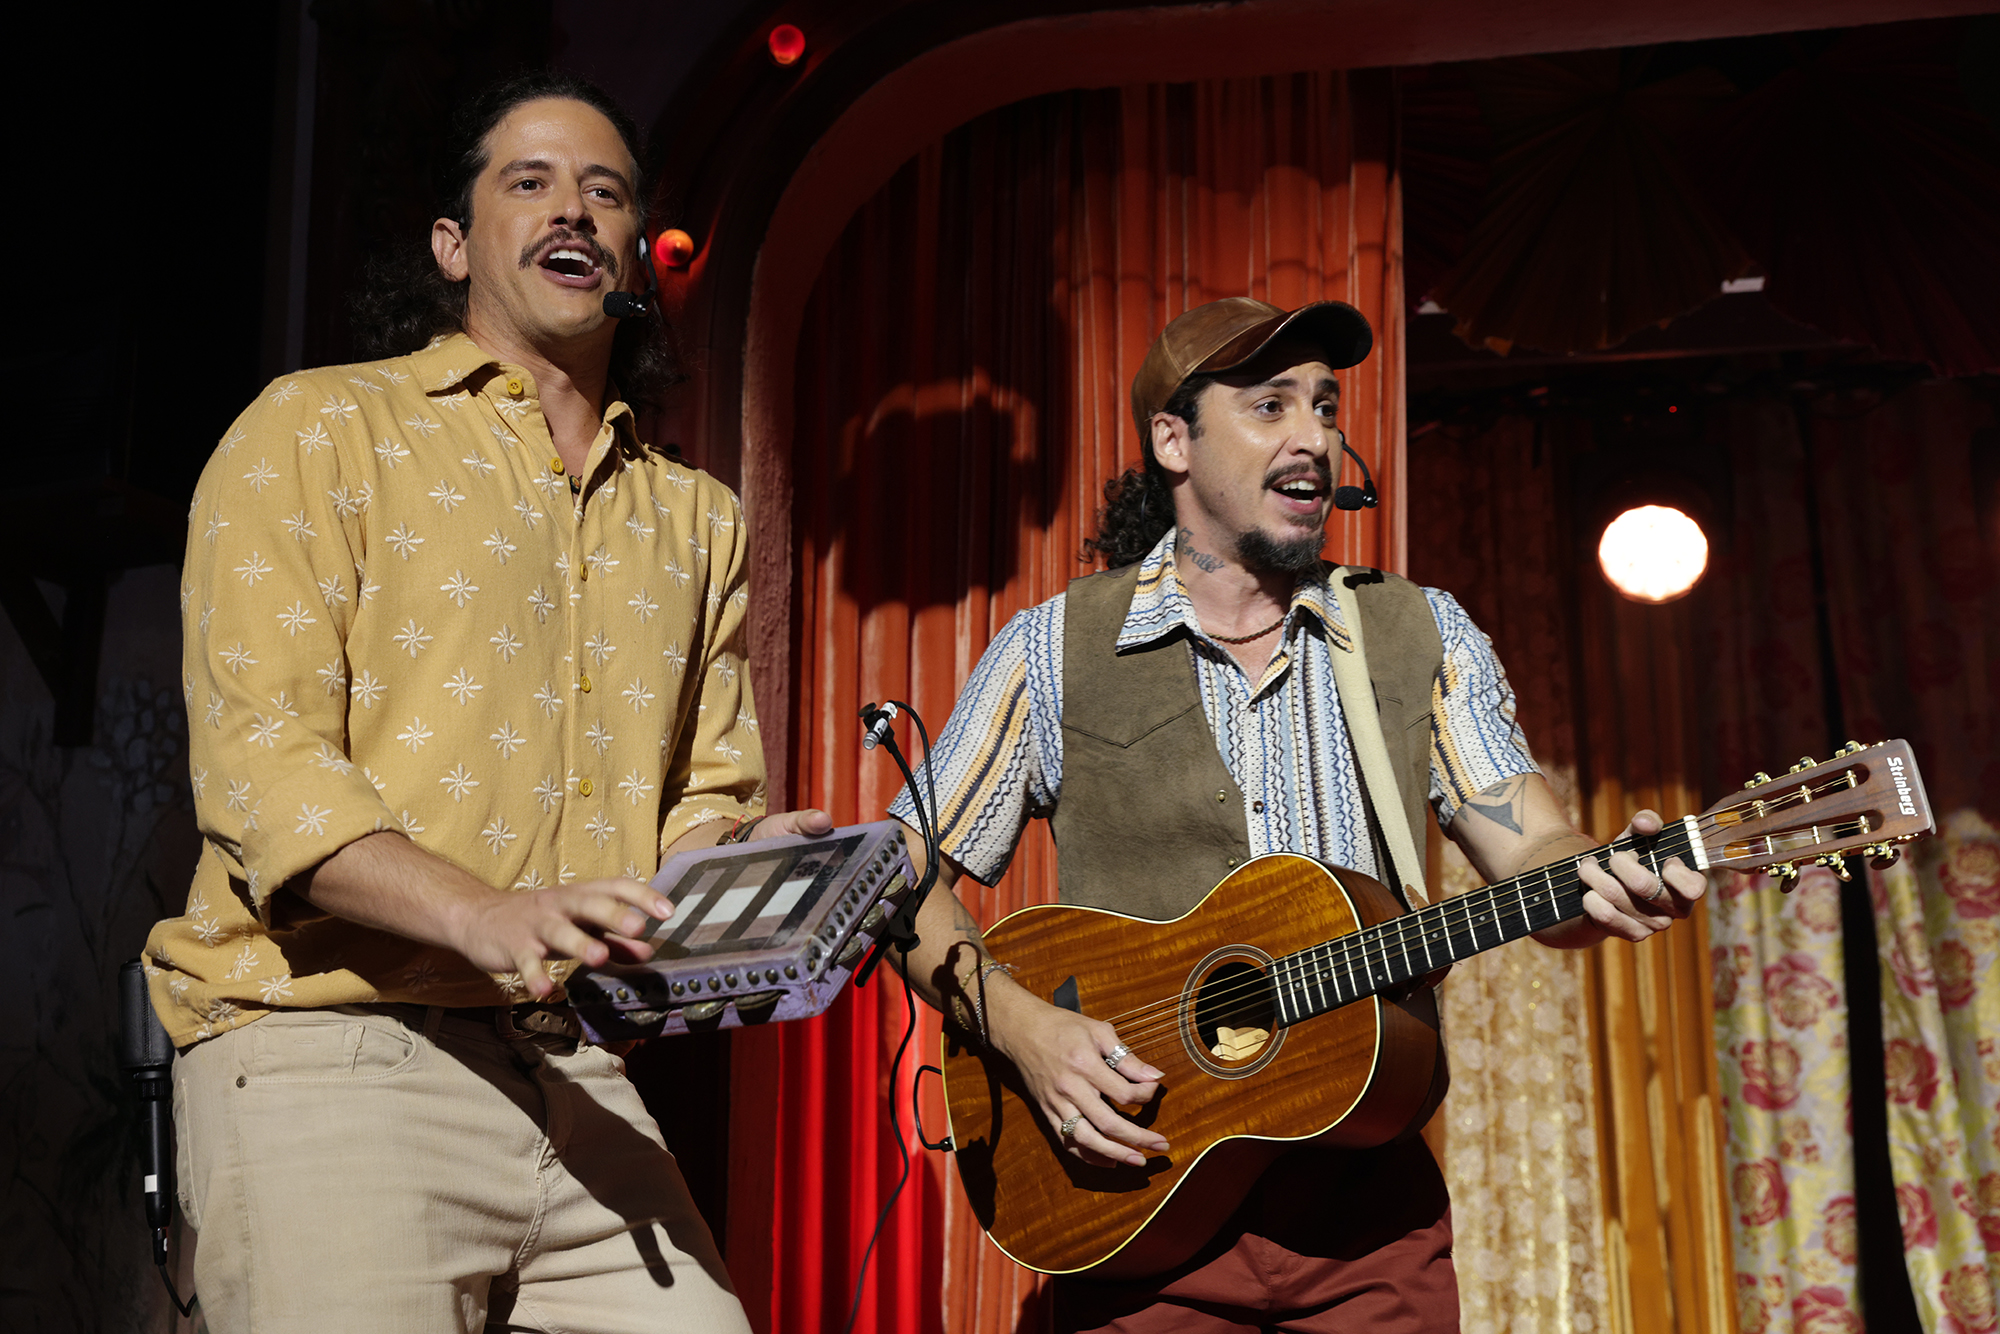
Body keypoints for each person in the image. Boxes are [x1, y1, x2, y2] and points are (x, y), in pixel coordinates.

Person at [144, 71, 826, 1334]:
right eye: (530, 181)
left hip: (573, 1065)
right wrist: (483, 910)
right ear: (453, 244)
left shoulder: (696, 517)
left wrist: (742, 864)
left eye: (604, 191)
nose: (572, 207)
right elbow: (263, 768)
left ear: (635, 253)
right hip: (330, 1046)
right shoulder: (316, 428)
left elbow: (701, 797)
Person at [887, 297, 1707, 1333]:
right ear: (1173, 441)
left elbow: (1536, 848)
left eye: (1324, 406)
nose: (1313, 436)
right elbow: (897, 874)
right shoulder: (1052, 649)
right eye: (1270, 405)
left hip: (1368, 1226)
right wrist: (1021, 1027)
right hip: (1134, 1205)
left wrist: (1606, 876)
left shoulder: (1415, 628)